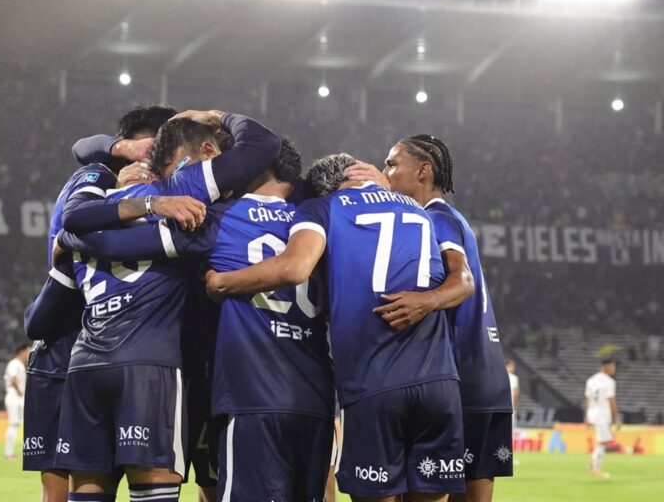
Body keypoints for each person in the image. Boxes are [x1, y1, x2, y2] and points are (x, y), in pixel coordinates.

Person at [57, 138, 336, 501]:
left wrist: (70, 238)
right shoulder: (318, 216)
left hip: (250, 392)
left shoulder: (221, 218)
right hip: (315, 395)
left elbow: (109, 243)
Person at [25, 110, 281, 502]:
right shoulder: (187, 189)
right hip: (152, 365)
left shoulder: (94, 192)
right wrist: (218, 115)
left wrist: (75, 243)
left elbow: (72, 221)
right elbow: (263, 145)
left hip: (83, 363)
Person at [206, 153, 464, 502]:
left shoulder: (326, 208)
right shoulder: (418, 210)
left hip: (374, 383)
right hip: (439, 382)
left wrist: (221, 282)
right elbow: (463, 282)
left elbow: (296, 267)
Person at [345, 135, 513, 501]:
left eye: (392, 164)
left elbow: (463, 280)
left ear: (423, 171)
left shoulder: (433, 217)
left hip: (461, 380)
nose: (386, 172)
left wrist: (425, 301)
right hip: (483, 379)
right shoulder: (448, 218)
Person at [585, 358, 620, 478]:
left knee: (601, 440)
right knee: (603, 442)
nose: (614, 370)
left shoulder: (591, 380)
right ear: (608, 367)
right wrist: (616, 417)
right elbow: (611, 400)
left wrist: (586, 416)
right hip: (602, 414)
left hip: (592, 412)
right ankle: (596, 469)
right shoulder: (609, 382)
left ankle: (592, 463)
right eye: (613, 367)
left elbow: (588, 398)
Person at [4, 344, 29, 460]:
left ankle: (12, 452)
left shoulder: (19, 365)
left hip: (17, 397)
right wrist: (20, 392)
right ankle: (9, 453)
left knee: (18, 424)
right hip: (15, 397)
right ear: (22, 352)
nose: (29, 354)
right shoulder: (14, 363)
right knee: (14, 424)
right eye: (27, 351)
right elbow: (13, 378)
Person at [506, 359, 519, 426]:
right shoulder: (514, 378)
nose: (513, 368)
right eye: (512, 366)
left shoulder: (499, 376)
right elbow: (515, 393)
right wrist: (515, 405)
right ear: (507, 366)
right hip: (510, 405)